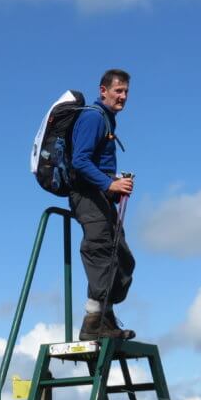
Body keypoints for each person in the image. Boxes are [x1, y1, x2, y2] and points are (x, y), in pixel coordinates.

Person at [69, 69, 137, 341]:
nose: (123, 97)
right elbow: (80, 161)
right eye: (118, 91)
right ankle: (92, 323)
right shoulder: (93, 117)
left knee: (121, 257)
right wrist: (109, 184)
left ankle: (105, 320)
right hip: (87, 196)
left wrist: (115, 183)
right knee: (100, 250)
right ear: (103, 91)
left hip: (100, 195)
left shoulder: (107, 120)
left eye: (126, 92)